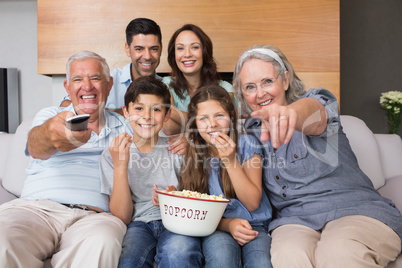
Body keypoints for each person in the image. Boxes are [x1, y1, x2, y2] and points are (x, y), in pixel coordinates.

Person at [232, 44, 402, 268]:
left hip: (356, 211)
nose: (260, 93)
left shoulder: (318, 101)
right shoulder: (252, 132)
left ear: (285, 79)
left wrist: (289, 114)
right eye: (250, 87)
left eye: (267, 81)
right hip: (295, 221)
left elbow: (316, 115)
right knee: (287, 257)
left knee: (338, 252)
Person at [0, 51, 127, 268]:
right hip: (36, 210)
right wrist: (52, 134)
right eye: (78, 79)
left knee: (103, 242)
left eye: (95, 78)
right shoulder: (50, 116)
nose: (87, 86)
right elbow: (36, 146)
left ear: (109, 84)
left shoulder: (125, 126)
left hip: (95, 217)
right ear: (67, 87)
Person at [154, 85, 273, 267]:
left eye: (219, 115)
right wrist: (172, 195)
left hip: (255, 225)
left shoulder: (247, 143)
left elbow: (252, 203)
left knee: (261, 263)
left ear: (232, 116)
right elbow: (196, 211)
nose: (213, 124)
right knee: (222, 259)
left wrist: (230, 160)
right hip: (216, 226)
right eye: (203, 118)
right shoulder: (195, 153)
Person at [99, 76, 203, 268]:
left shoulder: (177, 149)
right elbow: (122, 216)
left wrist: (173, 196)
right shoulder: (112, 154)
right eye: (138, 108)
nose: (147, 116)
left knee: (179, 253)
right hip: (139, 224)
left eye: (156, 109)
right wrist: (121, 166)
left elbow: (196, 195)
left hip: (177, 220)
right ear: (126, 112)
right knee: (129, 259)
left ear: (166, 115)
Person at [60, 18, 163, 113]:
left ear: (161, 49)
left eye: (154, 49)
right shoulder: (106, 80)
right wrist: (116, 116)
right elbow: (65, 105)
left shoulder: (167, 86)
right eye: (139, 49)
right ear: (128, 49)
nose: (147, 56)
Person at [162, 24, 237, 136]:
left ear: (205, 52)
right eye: (180, 48)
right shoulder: (165, 84)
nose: (187, 54)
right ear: (174, 55)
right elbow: (169, 128)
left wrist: (172, 112)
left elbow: (221, 126)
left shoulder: (225, 88)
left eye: (195, 47)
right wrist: (203, 122)